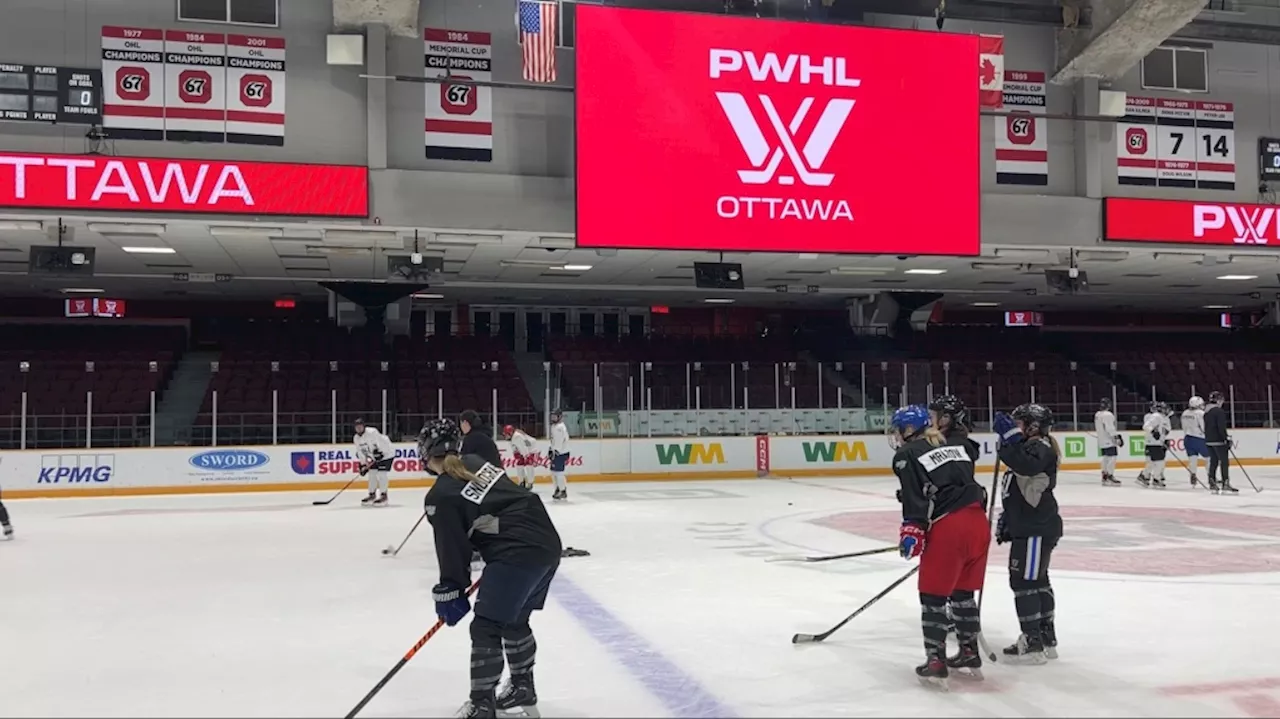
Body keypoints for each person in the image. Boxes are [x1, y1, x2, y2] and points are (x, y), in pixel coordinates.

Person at [418, 419, 562, 719]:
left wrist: (452, 589)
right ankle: (522, 686)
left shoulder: (439, 496)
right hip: (546, 542)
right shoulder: (475, 462)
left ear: (426, 455)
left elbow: (453, 551)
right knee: (513, 620)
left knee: (485, 627)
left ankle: (482, 704)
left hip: (515, 553)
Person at [889, 404, 990, 688]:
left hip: (950, 528)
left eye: (899, 429)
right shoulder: (954, 445)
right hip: (978, 524)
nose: (896, 435)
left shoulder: (906, 454)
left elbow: (915, 498)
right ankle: (969, 652)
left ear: (909, 430)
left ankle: (936, 661)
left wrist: (913, 528)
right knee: (962, 593)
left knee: (933, 597)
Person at [992, 403, 1064, 664]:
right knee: (1036, 580)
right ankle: (1045, 637)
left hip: (1036, 529)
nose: (1015, 427)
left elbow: (1023, 465)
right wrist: (1009, 518)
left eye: (1019, 423)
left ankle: (1033, 639)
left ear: (1033, 426)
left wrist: (1009, 438)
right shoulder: (1032, 447)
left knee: (1025, 582)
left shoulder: (1040, 448)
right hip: (1031, 527)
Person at [353, 418, 394, 506]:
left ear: (364, 426)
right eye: (357, 427)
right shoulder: (356, 438)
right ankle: (372, 495)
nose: (359, 429)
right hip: (374, 456)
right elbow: (360, 452)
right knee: (372, 473)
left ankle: (384, 496)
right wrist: (363, 465)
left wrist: (379, 452)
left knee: (382, 474)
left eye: (360, 426)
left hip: (387, 453)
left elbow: (380, 442)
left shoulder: (372, 432)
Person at [1204, 390, 1237, 493]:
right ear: (1218, 400)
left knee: (1213, 461)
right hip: (1218, 440)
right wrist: (1225, 438)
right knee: (1224, 462)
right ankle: (1225, 483)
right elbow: (1221, 427)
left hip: (1209, 440)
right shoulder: (1219, 411)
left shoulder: (1206, 411)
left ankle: (1212, 482)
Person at [1137, 401, 1171, 489]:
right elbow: (1145, 426)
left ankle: (1144, 476)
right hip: (1153, 443)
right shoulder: (1156, 416)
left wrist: (1164, 439)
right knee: (1160, 462)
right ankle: (1156, 478)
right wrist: (1153, 431)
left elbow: (1163, 430)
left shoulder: (1161, 417)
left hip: (1156, 443)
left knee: (1152, 462)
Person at [1181, 396, 1208, 487]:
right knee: (1209, 458)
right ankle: (1211, 477)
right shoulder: (1200, 413)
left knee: (1192, 459)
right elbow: (1204, 427)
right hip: (1199, 438)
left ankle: (1193, 474)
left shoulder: (1185, 413)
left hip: (1188, 438)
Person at [1095, 398, 1122, 486]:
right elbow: (1110, 428)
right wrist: (1116, 437)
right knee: (1112, 457)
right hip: (1108, 439)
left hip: (1101, 439)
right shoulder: (1108, 415)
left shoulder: (1098, 414)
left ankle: (1104, 475)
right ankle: (1110, 475)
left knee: (1105, 457)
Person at [503, 424, 539, 490]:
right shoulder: (512, 437)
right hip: (523, 450)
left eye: (506, 434)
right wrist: (516, 453)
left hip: (531, 450)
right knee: (519, 465)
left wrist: (526, 456)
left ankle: (530, 483)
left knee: (529, 465)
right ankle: (521, 481)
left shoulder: (517, 437)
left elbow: (524, 447)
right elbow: (515, 447)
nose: (505, 436)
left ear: (510, 433)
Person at [548, 409, 571, 501]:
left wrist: (556, 451)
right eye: (552, 416)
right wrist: (551, 449)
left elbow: (562, 441)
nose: (553, 418)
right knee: (553, 473)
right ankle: (558, 488)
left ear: (560, 417)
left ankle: (562, 490)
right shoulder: (554, 426)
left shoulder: (560, 427)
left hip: (561, 453)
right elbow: (553, 440)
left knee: (559, 473)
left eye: (555, 416)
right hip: (556, 452)